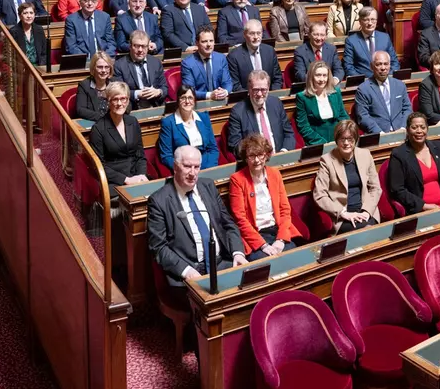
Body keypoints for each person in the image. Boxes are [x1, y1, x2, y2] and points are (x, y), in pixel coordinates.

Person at [148, 144, 245, 287]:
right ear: (175, 167)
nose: (193, 173)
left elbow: (228, 224)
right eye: (187, 166)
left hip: (221, 264)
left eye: (197, 167)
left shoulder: (208, 186)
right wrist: (186, 271)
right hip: (189, 271)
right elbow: (158, 247)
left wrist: (237, 253)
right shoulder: (159, 200)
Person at [227, 134, 303, 256]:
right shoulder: (237, 179)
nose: (256, 160)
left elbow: (285, 210)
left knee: (294, 256)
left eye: (260, 155)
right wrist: (263, 245)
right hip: (254, 236)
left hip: (277, 230)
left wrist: (280, 239)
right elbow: (240, 219)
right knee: (264, 261)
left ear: (266, 155)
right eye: (252, 156)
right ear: (246, 158)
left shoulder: (274, 174)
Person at [312, 120, 383, 233]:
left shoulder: (365, 155)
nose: (346, 143)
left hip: (366, 211)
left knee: (370, 230)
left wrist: (367, 211)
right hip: (343, 216)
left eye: (350, 139)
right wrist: (343, 213)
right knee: (365, 231)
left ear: (355, 139)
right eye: (342, 139)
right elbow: (319, 195)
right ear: (336, 140)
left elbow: (375, 188)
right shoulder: (327, 160)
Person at [387, 112, 440, 213]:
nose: (419, 131)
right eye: (414, 127)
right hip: (421, 210)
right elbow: (397, 190)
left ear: (427, 129)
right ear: (407, 130)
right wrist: (423, 206)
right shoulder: (399, 154)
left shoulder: (439, 147)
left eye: (422, 127)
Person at [87, 81, 148, 187]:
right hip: (114, 180)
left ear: (128, 100)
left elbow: (140, 155)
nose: (119, 103)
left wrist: (141, 175)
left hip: (136, 174)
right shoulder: (98, 128)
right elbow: (98, 165)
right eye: (115, 99)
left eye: (123, 99)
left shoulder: (133, 121)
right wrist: (125, 180)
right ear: (108, 101)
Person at [290, 63, 348, 147]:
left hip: (338, 139)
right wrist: (321, 143)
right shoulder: (302, 97)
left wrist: (344, 137)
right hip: (317, 141)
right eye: (318, 75)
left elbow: (343, 117)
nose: (322, 79)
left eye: (325, 75)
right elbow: (303, 126)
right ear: (311, 77)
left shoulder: (336, 92)